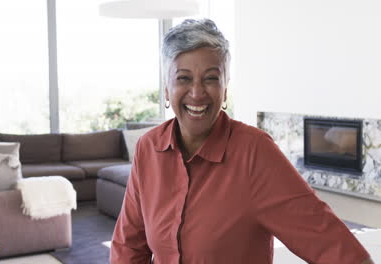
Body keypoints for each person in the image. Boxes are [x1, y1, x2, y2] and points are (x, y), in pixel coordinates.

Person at [110, 18, 373, 264]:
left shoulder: (254, 152)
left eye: (211, 78)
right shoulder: (149, 147)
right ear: (167, 89)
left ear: (225, 89)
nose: (197, 92)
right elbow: (129, 246)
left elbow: (332, 243)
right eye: (184, 78)